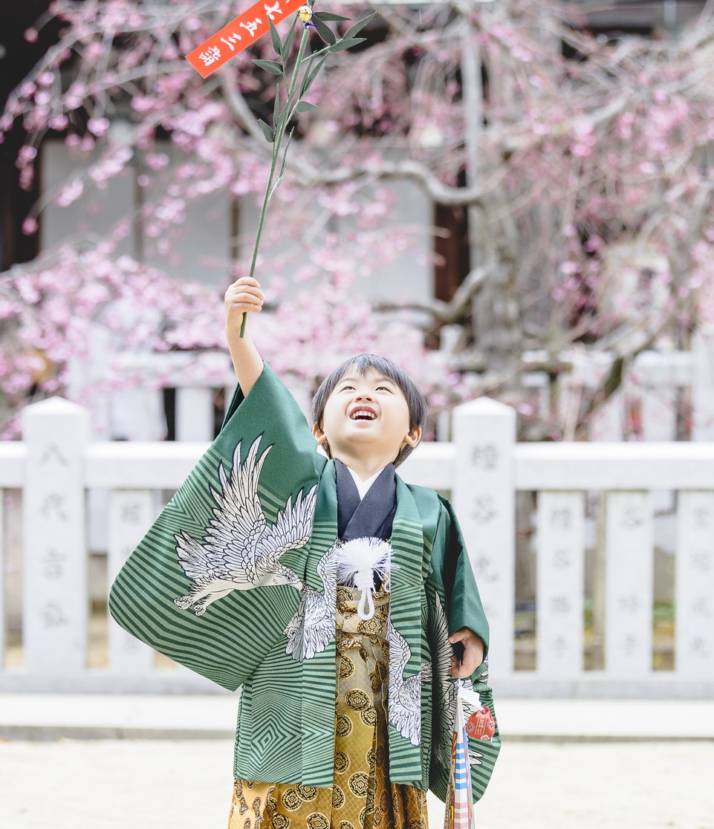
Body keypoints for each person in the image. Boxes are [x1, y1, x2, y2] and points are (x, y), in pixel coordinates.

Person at [107, 276, 501, 829]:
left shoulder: (429, 510)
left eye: (384, 390)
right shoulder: (301, 481)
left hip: (390, 685)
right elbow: (268, 409)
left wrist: (467, 636)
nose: (365, 393)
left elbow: (454, 587)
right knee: (283, 797)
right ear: (317, 428)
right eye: (348, 388)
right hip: (294, 674)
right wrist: (239, 339)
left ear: (412, 433)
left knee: (382, 801)